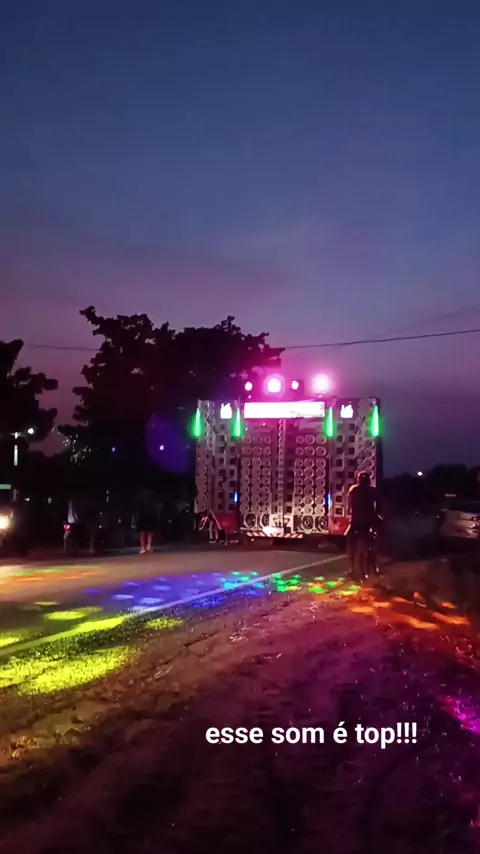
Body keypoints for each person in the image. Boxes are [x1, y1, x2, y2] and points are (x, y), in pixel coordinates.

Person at [346, 472, 381, 579]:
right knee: (374, 543)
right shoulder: (373, 491)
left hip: (355, 522)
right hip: (369, 522)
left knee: (351, 544)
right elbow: (378, 507)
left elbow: (349, 507)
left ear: (358, 480)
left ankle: (352, 568)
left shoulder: (353, 490)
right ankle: (374, 567)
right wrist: (377, 515)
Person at [136, 489, 157, 554]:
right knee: (148, 532)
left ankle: (144, 547)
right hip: (147, 515)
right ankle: (147, 546)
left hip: (144, 516)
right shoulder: (151, 496)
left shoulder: (139, 497)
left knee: (143, 532)